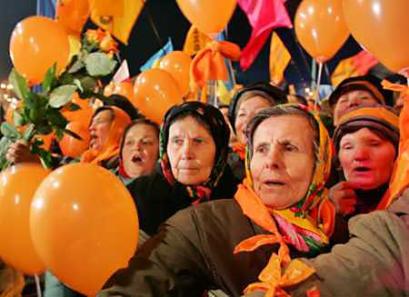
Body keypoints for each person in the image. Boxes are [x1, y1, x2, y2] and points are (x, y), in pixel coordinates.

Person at [98, 104, 335, 297]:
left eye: (290, 148)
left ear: (320, 162)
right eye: (261, 149)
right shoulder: (200, 225)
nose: (271, 161)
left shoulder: (346, 234)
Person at [125, 101, 238, 236]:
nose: (186, 153)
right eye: (177, 141)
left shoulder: (240, 199)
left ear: (219, 150)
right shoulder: (137, 197)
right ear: (165, 147)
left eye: (198, 141)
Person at [328, 105, 399, 244]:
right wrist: (329, 217)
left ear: (399, 154)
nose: (359, 155)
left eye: (374, 144)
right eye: (348, 147)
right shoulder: (319, 206)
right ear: (339, 162)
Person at [227, 82, 287, 180]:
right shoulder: (223, 167)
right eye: (242, 114)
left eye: (259, 114)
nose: (248, 121)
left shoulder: (288, 161)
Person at [116, 118, 160, 185]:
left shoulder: (172, 190)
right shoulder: (103, 181)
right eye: (129, 142)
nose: (136, 147)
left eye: (146, 142)